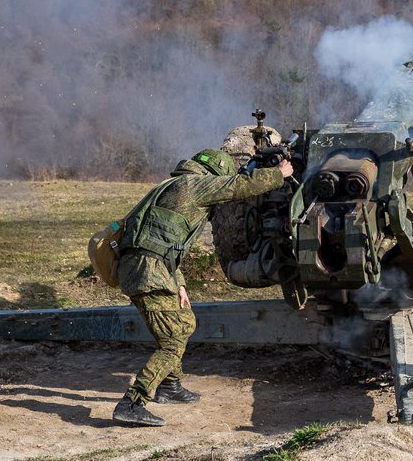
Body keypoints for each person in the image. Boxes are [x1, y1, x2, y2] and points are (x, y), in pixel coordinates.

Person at [112, 146, 293, 427]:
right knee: (172, 341)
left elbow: (161, 239)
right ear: (214, 173)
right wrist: (279, 174)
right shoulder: (195, 185)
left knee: (184, 323)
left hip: (146, 268)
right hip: (148, 272)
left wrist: (179, 283)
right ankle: (133, 402)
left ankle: (171, 387)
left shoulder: (170, 186)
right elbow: (239, 186)